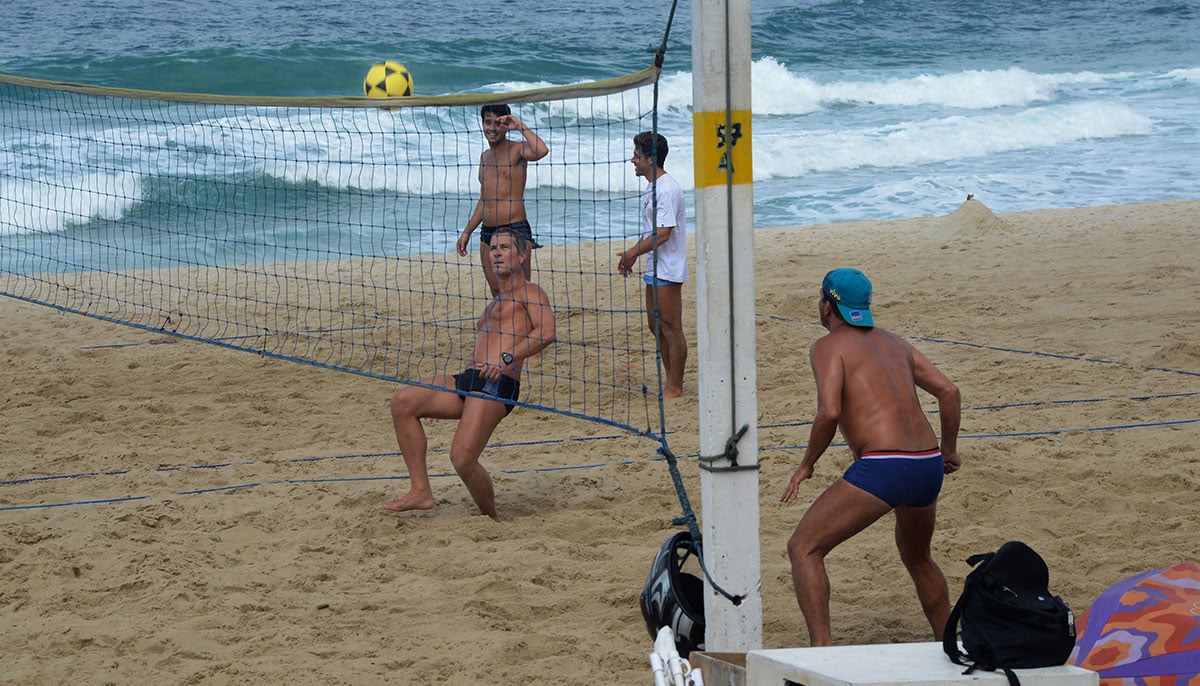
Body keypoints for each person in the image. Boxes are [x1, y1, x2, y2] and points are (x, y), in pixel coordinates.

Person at [780, 268, 962, 646]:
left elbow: (829, 412)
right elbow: (948, 391)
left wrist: (806, 465)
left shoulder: (827, 346)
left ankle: (822, 653)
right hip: (927, 463)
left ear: (828, 306)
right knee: (918, 557)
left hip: (885, 466)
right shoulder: (896, 343)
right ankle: (951, 644)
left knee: (804, 548)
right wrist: (948, 450)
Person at [385, 227, 556, 520]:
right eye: (493, 248)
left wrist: (507, 357)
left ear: (522, 256)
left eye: (504, 247)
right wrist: (448, 399)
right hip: (468, 379)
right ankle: (421, 490)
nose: (497, 253)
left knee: (462, 459)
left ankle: (492, 518)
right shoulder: (496, 300)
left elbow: (547, 332)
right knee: (404, 402)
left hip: (497, 382)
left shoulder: (530, 291)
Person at [616, 131, 688, 400]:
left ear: (650, 158)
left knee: (671, 327)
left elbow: (663, 233)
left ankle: (675, 387)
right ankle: (670, 381)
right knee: (655, 326)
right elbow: (651, 231)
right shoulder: (652, 187)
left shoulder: (666, 189)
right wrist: (634, 255)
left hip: (669, 268)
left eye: (637, 156)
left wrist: (633, 252)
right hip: (654, 267)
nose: (632, 161)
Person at [457, 104, 549, 297]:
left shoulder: (517, 150)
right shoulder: (485, 157)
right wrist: (467, 232)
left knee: (518, 292)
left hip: (514, 228)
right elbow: (484, 200)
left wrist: (519, 126)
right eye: (488, 122)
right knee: (497, 291)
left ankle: (526, 327)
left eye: (498, 123)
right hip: (487, 233)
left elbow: (542, 150)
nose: (492, 128)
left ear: (505, 125)